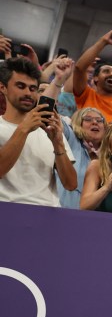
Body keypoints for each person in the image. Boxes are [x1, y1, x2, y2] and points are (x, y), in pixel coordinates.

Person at [0, 57, 77, 207]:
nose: (28, 93)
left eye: (32, 88)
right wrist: (23, 129)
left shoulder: (49, 130)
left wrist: (58, 143)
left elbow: (71, 184)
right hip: (6, 211)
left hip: (47, 215)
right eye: (20, 86)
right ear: (3, 87)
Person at [57, 107, 106, 209]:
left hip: (87, 219)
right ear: (78, 124)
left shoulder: (109, 158)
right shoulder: (71, 138)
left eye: (99, 120)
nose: (94, 122)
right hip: (57, 210)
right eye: (88, 119)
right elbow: (56, 124)